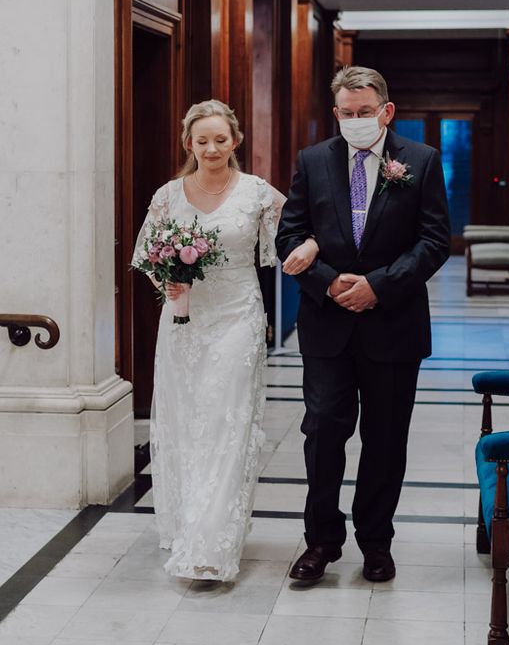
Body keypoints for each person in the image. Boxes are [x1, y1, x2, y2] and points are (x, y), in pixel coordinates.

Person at [276, 66, 451, 583]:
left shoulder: (420, 160)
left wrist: (379, 284)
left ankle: (376, 542)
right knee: (322, 433)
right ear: (336, 114)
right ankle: (321, 542)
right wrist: (329, 282)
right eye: (346, 114)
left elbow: (435, 240)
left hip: (393, 325)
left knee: (385, 439)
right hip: (327, 325)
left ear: (386, 110)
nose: (356, 121)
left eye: (365, 112)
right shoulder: (313, 161)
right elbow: (290, 235)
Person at [132, 100, 318, 581]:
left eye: (220, 139)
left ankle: (212, 543)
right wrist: (168, 282)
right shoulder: (168, 196)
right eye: (201, 140)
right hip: (183, 322)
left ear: (235, 141)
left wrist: (313, 246)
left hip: (238, 317)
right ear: (188, 144)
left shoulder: (256, 193)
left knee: (226, 423)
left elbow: (304, 226)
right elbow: (148, 255)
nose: (211, 148)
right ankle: (187, 522)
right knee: (186, 422)